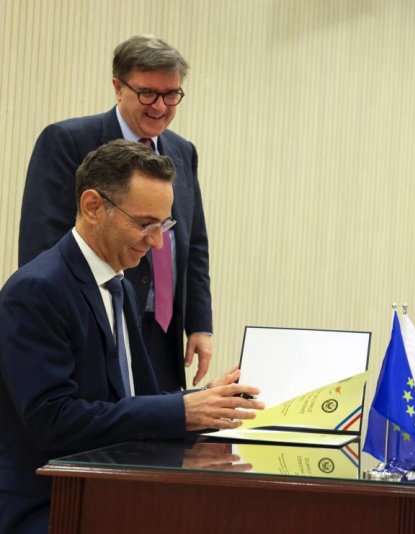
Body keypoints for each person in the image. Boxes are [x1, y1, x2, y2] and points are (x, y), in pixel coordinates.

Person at [0, 140, 263, 534]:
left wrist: (202, 401)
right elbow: (52, 421)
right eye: (145, 224)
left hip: (107, 490)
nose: (157, 242)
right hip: (49, 502)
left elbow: (126, 400)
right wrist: (181, 411)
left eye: (164, 225)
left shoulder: (118, 283)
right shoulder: (37, 290)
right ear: (93, 206)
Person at [18, 34, 211, 392]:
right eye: (148, 93)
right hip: (98, 325)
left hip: (163, 332)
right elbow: (41, 242)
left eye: (171, 94)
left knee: (162, 429)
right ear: (117, 87)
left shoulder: (183, 151)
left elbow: (193, 242)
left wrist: (200, 324)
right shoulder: (67, 140)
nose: (160, 106)